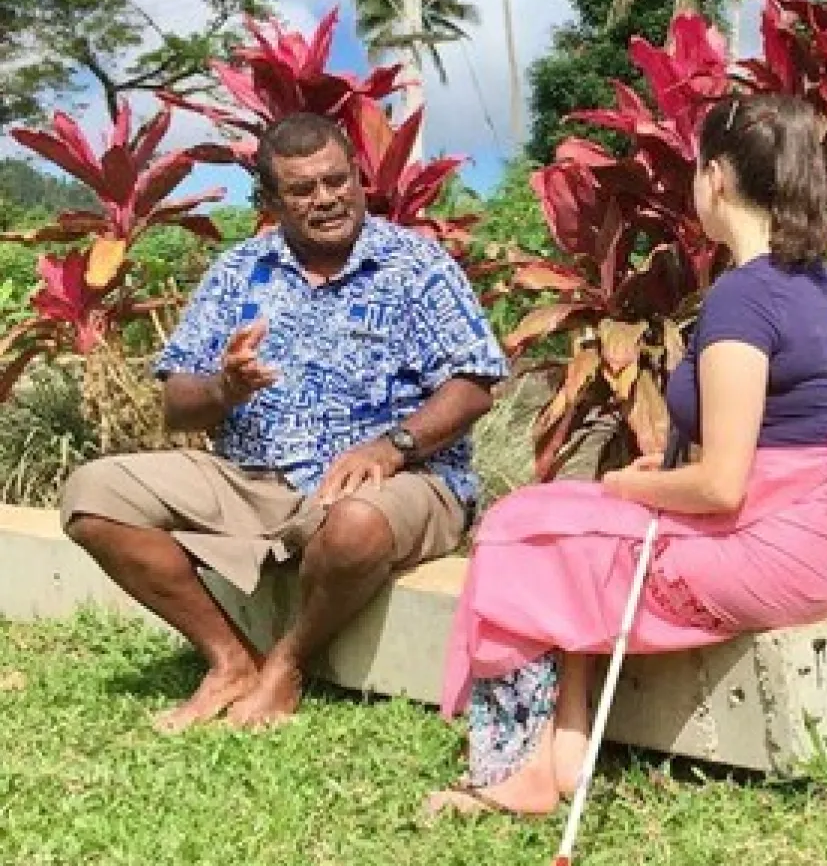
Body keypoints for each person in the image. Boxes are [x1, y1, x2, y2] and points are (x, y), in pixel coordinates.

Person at [424, 93, 827, 817]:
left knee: (519, 531)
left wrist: (632, 490)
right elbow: (772, 448)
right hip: (815, 546)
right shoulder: (822, 285)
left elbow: (724, 485)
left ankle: (521, 770)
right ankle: (562, 747)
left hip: (760, 549)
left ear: (715, 177)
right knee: (554, 517)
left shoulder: (744, 299)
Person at [58, 112, 510, 732]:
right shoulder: (237, 272)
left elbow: (475, 383)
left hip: (397, 480)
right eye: (303, 190)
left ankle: (289, 664)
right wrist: (226, 386)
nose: (326, 199)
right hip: (252, 477)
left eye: (337, 181)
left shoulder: (416, 266)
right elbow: (177, 403)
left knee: (354, 527)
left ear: (357, 177)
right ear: (271, 200)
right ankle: (228, 660)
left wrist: (392, 446)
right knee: (93, 496)